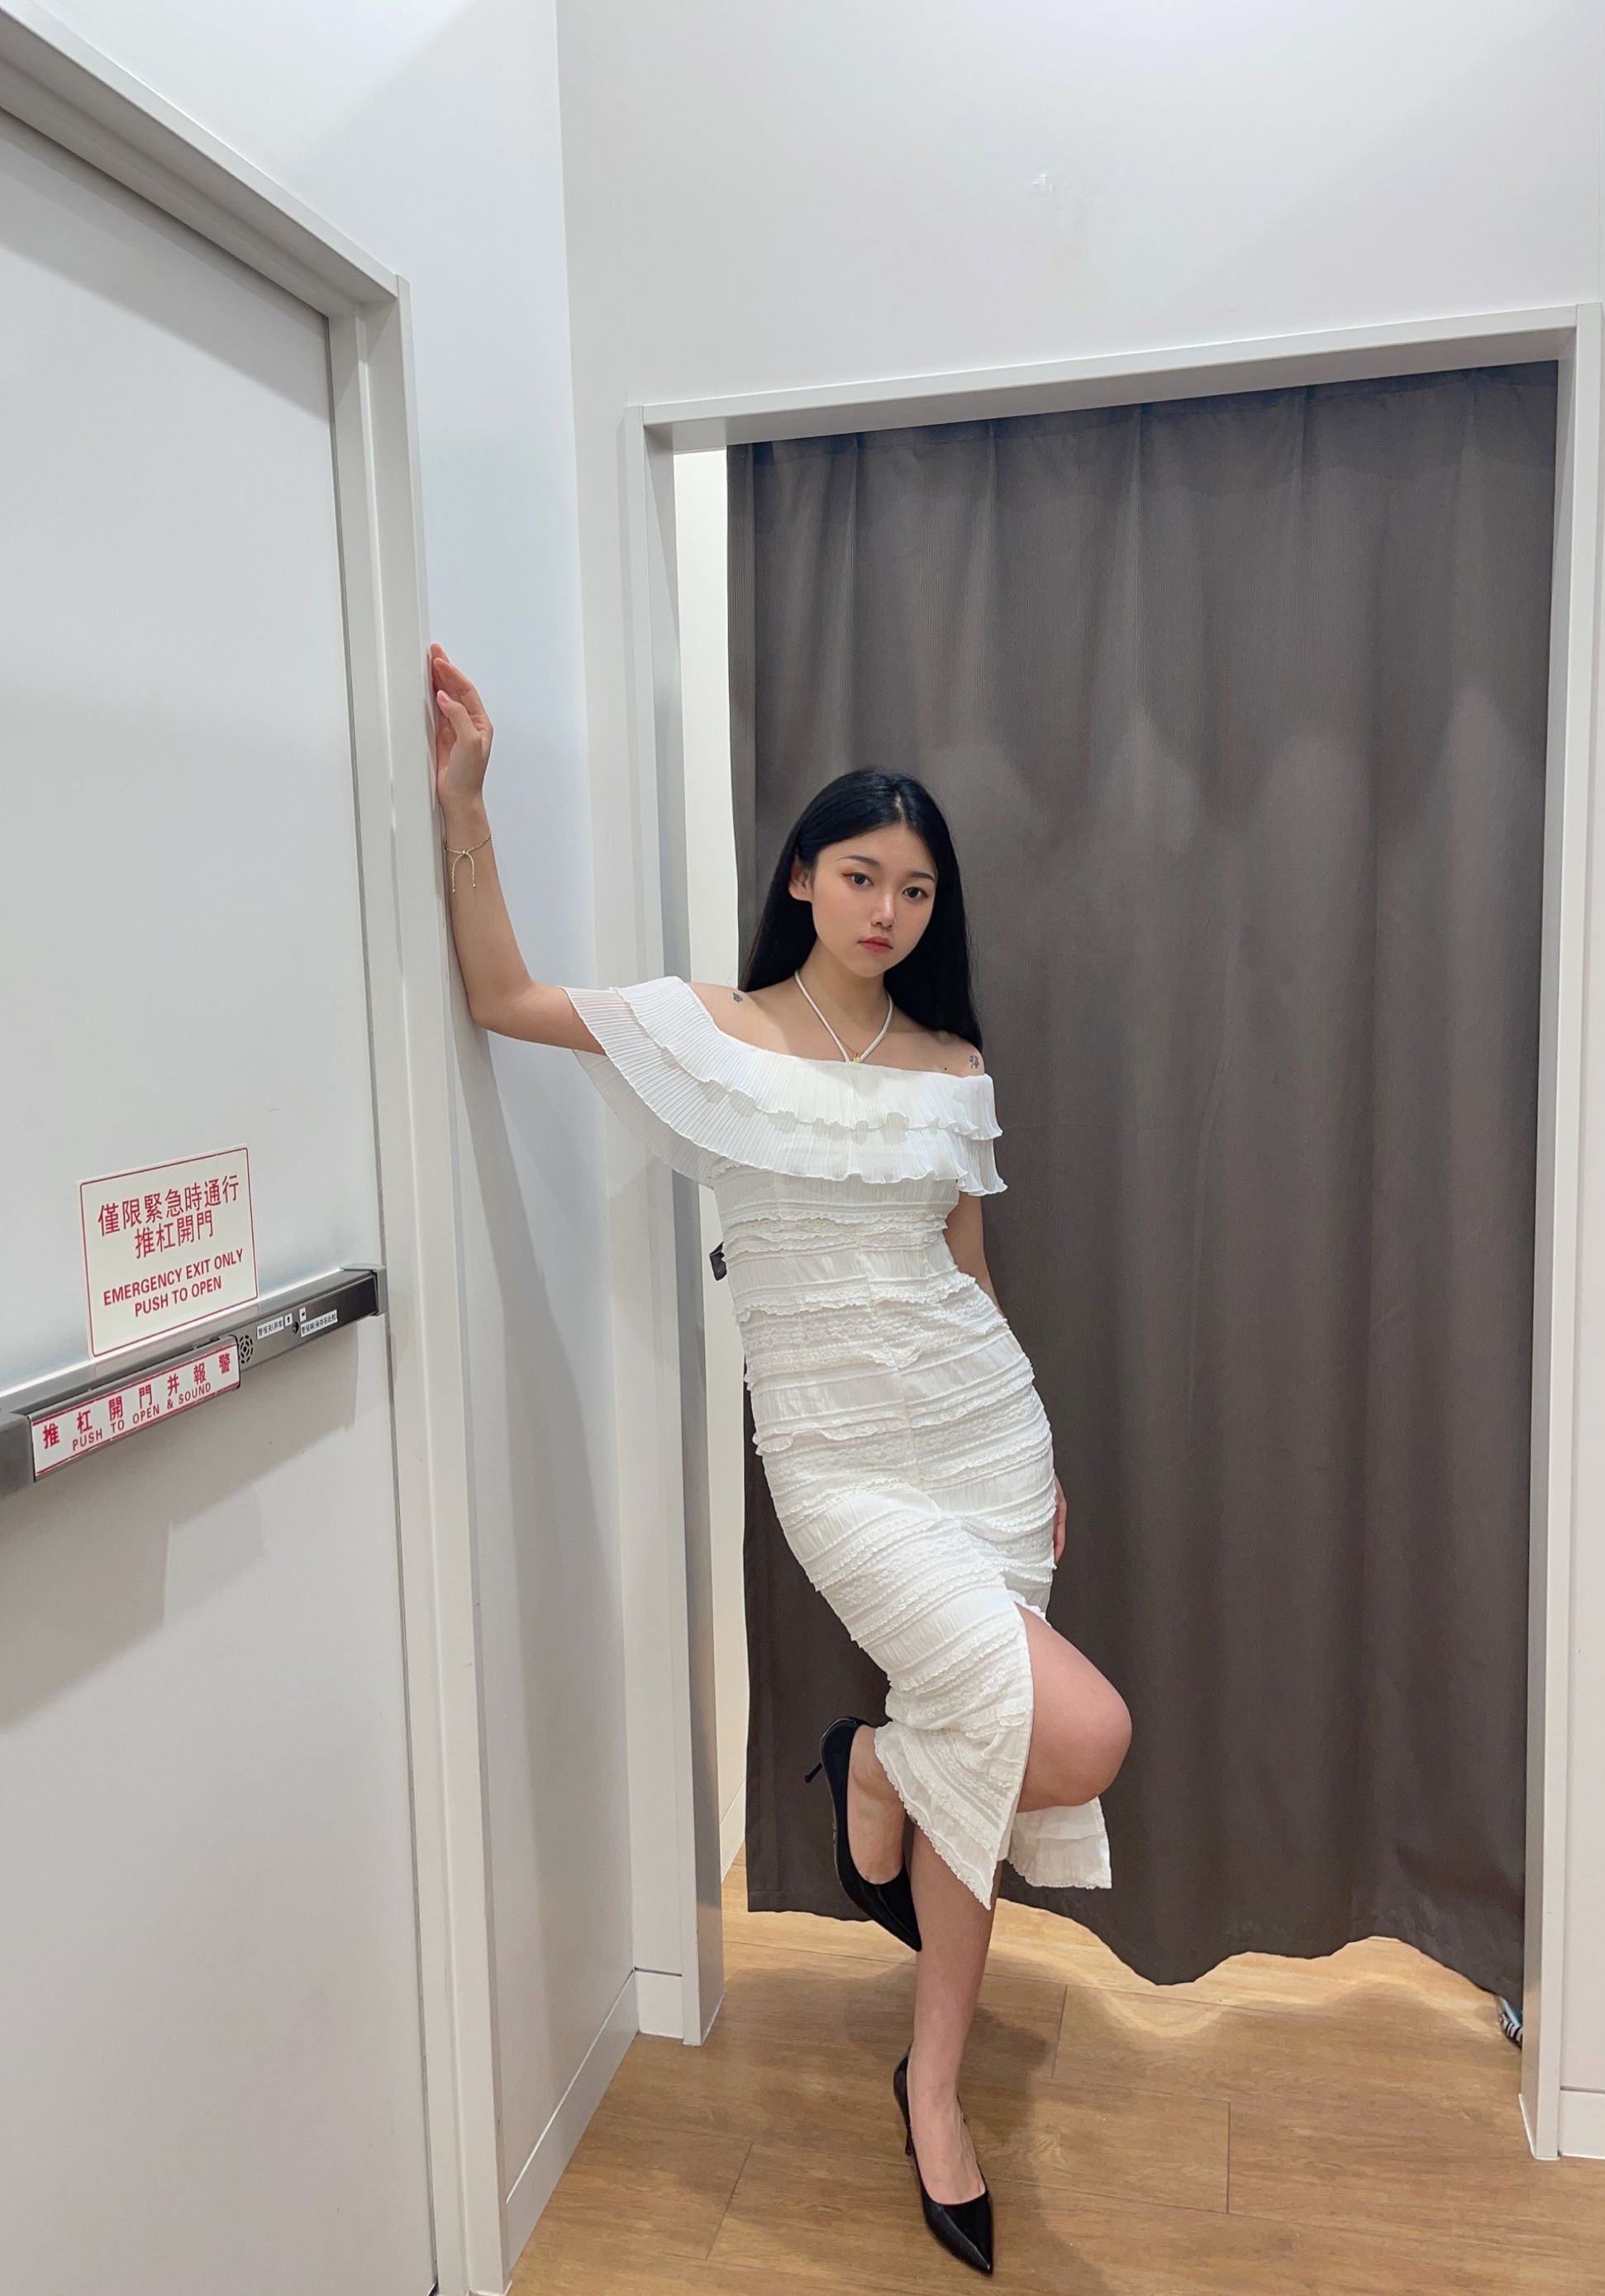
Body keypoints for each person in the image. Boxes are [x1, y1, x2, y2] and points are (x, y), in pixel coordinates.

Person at [430, 641, 1131, 2275]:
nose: (887, 908)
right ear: (802, 878)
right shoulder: (714, 1032)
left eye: (915, 887)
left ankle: (933, 2084)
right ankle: (868, 1769)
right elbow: (501, 998)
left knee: (978, 1758)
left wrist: (1035, 1448)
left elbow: (966, 1272)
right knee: (1071, 1733)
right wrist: (467, 804)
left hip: (978, 1437)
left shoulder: (951, 1068)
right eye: (860, 875)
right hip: (839, 1463)